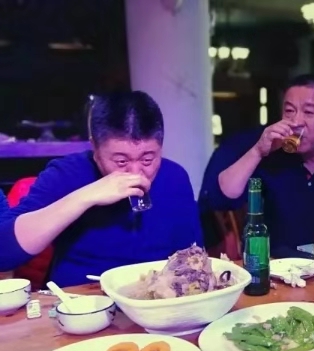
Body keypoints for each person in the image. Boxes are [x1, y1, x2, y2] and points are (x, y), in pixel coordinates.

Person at [0, 91, 202, 286]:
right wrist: (87, 196)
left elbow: (193, 258)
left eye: (147, 159)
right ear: (95, 149)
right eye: (121, 161)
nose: (135, 173)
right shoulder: (66, 174)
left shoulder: (175, 177)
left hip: (155, 298)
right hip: (80, 299)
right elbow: (4, 253)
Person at [200, 74, 314, 255]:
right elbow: (221, 199)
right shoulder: (272, 156)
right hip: (278, 266)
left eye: (309, 112)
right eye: (289, 111)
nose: (296, 122)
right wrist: (257, 151)